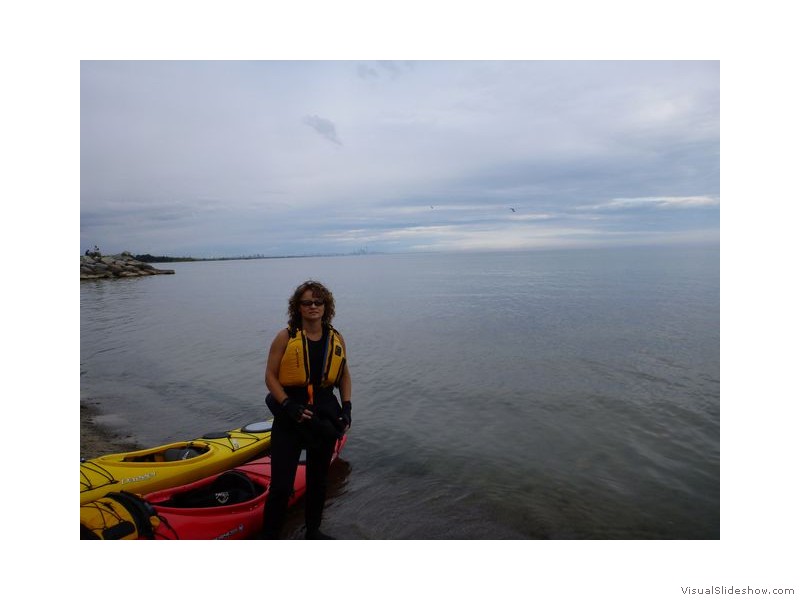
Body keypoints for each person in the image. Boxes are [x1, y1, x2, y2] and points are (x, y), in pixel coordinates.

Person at [261, 280, 352, 539]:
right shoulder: (285, 337)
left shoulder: (336, 337)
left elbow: (344, 375)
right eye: (307, 302)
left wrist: (347, 407)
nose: (313, 306)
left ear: (326, 307)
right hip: (291, 417)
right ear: (298, 307)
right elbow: (270, 376)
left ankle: (313, 533)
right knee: (280, 487)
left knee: (318, 483)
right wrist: (287, 404)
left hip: (323, 417)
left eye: (318, 302)